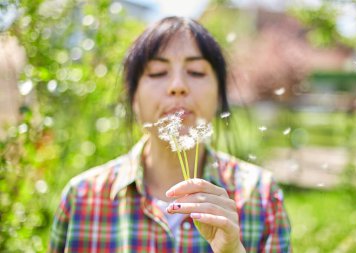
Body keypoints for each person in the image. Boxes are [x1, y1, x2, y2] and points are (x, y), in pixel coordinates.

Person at [49, 16, 291, 253]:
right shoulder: (81, 199)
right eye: (157, 72)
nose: (177, 85)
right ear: (132, 96)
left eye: (196, 71)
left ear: (219, 93)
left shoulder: (260, 195)